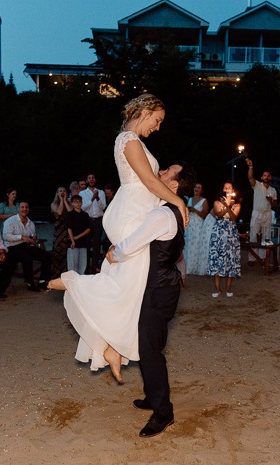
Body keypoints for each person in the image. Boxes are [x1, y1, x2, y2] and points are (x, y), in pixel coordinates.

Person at [48, 93, 188, 383]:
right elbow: (149, 182)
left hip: (134, 209)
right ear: (145, 111)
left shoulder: (134, 142)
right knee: (131, 279)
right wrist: (179, 202)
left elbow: (152, 179)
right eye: (158, 120)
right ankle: (76, 282)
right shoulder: (129, 140)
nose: (159, 127)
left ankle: (110, 347)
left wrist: (172, 172)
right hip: (131, 211)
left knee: (134, 284)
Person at [105, 162, 195, 438]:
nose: (161, 170)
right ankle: (151, 396)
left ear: (174, 185)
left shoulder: (162, 215)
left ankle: (163, 412)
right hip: (163, 287)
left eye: (167, 171)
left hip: (159, 290)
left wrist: (113, 255)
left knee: (150, 350)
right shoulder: (171, 211)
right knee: (150, 343)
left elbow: (133, 245)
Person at [3, 201, 52, 291]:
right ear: (18, 209)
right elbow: (6, 236)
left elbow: (32, 238)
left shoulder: (31, 223)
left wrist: (34, 239)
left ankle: (42, 281)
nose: (24, 209)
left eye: (26, 207)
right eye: (22, 207)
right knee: (27, 258)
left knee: (47, 256)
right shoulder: (10, 221)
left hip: (26, 246)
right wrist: (21, 237)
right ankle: (30, 283)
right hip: (12, 247)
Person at [207, 182, 242, 297]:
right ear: (222, 189)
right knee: (217, 258)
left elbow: (233, 217)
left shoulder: (237, 205)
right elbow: (219, 214)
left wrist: (228, 207)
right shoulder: (217, 202)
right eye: (225, 187)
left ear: (233, 190)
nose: (227, 189)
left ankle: (228, 289)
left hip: (231, 234)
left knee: (231, 258)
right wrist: (226, 206)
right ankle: (217, 289)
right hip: (219, 233)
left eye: (229, 188)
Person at [245, 158, 277, 265]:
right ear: (261, 177)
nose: (266, 177)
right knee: (253, 234)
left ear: (270, 177)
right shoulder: (257, 185)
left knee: (266, 236)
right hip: (257, 212)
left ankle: (263, 257)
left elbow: (275, 205)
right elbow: (250, 177)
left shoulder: (273, 190)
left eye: (268, 176)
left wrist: (271, 200)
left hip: (267, 213)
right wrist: (251, 166)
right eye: (264, 175)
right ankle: (252, 258)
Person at [80, 173, 107, 273]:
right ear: (87, 181)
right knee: (86, 245)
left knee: (96, 245)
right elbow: (83, 208)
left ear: (95, 180)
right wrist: (92, 199)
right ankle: (86, 267)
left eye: (93, 178)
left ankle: (94, 267)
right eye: (89, 178)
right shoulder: (83, 193)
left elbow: (103, 207)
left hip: (98, 220)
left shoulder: (101, 192)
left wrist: (98, 198)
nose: (91, 180)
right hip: (88, 221)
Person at [183, 182, 210, 275]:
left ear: (201, 190)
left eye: (199, 187)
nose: (197, 189)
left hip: (198, 226)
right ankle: (187, 267)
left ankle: (194, 267)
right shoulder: (189, 199)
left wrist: (194, 210)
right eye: (195, 187)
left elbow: (205, 215)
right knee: (188, 245)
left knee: (196, 246)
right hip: (190, 225)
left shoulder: (204, 201)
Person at [66, 196, 91, 274]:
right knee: (72, 264)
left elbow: (88, 229)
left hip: (83, 242)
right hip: (72, 243)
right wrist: (73, 240)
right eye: (75, 202)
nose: (78, 203)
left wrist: (77, 237)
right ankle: (72, 282)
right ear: (72, 203)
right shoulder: (70, 214)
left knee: (83, 264)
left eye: (79, 201)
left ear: (82, 203)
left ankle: (81, 282)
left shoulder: (85, 215)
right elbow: (69, 228)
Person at [50, 186, 72, 278]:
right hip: (58, 230)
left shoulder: (69, 203)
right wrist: (61, 201)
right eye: (60, 191)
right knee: (58, 250)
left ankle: (65, 274)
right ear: (57, 193)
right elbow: (59, 212)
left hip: (67, 228)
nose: (62, 192)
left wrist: (65, 200)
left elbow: (71, 212)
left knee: (66, 252)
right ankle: (56, 274)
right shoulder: (53, 204)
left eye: (64, 191)